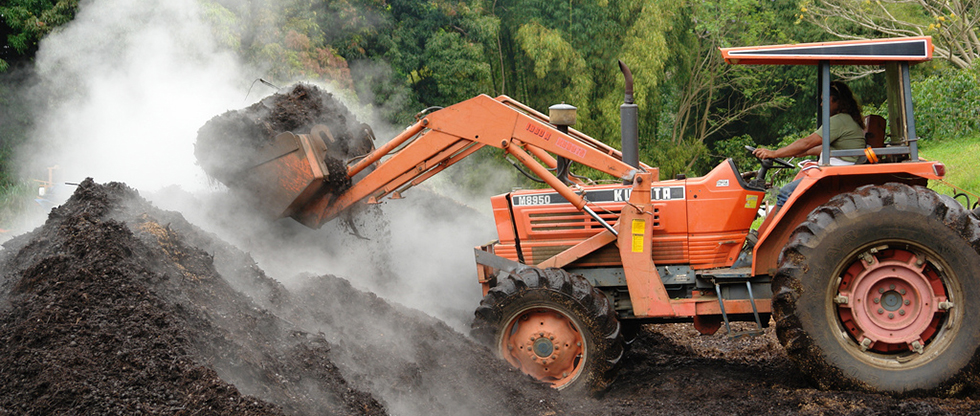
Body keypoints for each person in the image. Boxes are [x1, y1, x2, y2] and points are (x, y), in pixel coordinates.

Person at [753, 80, 866, 207]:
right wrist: (803, 153)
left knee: (785, 193)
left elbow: (807, 142)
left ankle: (787, 228)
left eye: (825, 100)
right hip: (838, 166)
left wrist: (774, 153)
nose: (822, 104)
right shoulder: (847, 119)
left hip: (836, 170)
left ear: (837, 101)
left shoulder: (839, 120)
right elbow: (827, 148)